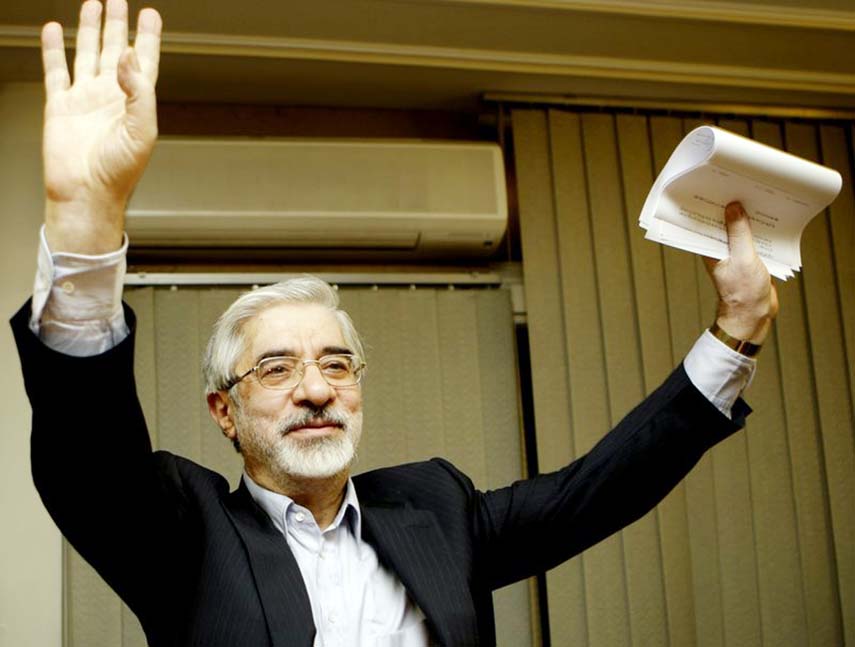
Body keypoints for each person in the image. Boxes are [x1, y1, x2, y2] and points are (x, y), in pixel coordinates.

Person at [12, 1, 778, 645]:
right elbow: (88, 460)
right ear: (226, 410)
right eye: (276, 367)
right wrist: (87, 220)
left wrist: (734, 329)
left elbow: (596, 490)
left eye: (336, 363)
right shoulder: (185, 530)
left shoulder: (436, 512)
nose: (316, 388)